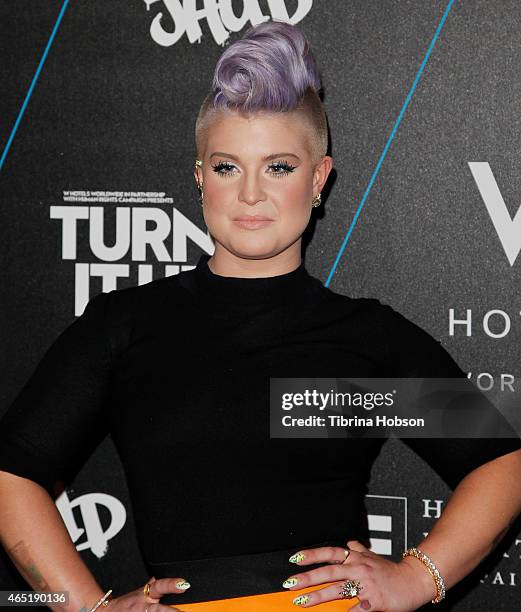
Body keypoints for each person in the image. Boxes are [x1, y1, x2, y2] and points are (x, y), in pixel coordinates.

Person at [0, 19, 520, 612]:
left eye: (279, 166)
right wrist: (85, 607)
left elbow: (502, 463)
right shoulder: (126, 325)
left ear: (319, 179)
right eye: (227, 167)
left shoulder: (363, 339)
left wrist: (418, 576)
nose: (251, 194)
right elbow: (12, 473)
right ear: (200, 179)